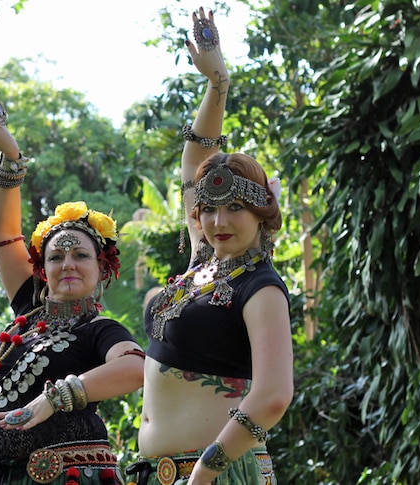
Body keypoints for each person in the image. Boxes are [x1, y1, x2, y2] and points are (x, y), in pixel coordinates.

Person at [126, 9, 294, 485]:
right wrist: (217, 83)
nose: (218, 222)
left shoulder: (260, 287)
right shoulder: (203, 262)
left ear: (262, 213)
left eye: (235, 208)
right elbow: (195, 159)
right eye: (208, 210)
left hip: (215, 476)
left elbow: (275, 394)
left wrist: (205, 471)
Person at [0, 87, 146, 485]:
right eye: (55, 257)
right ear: (42, 270)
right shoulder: (27, 312)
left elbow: (136, 367)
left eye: (81, 256)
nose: (67, 263)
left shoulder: (97, 330)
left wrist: (57, 398)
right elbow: (2, 232)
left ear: (102, 270)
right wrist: (10, 159)